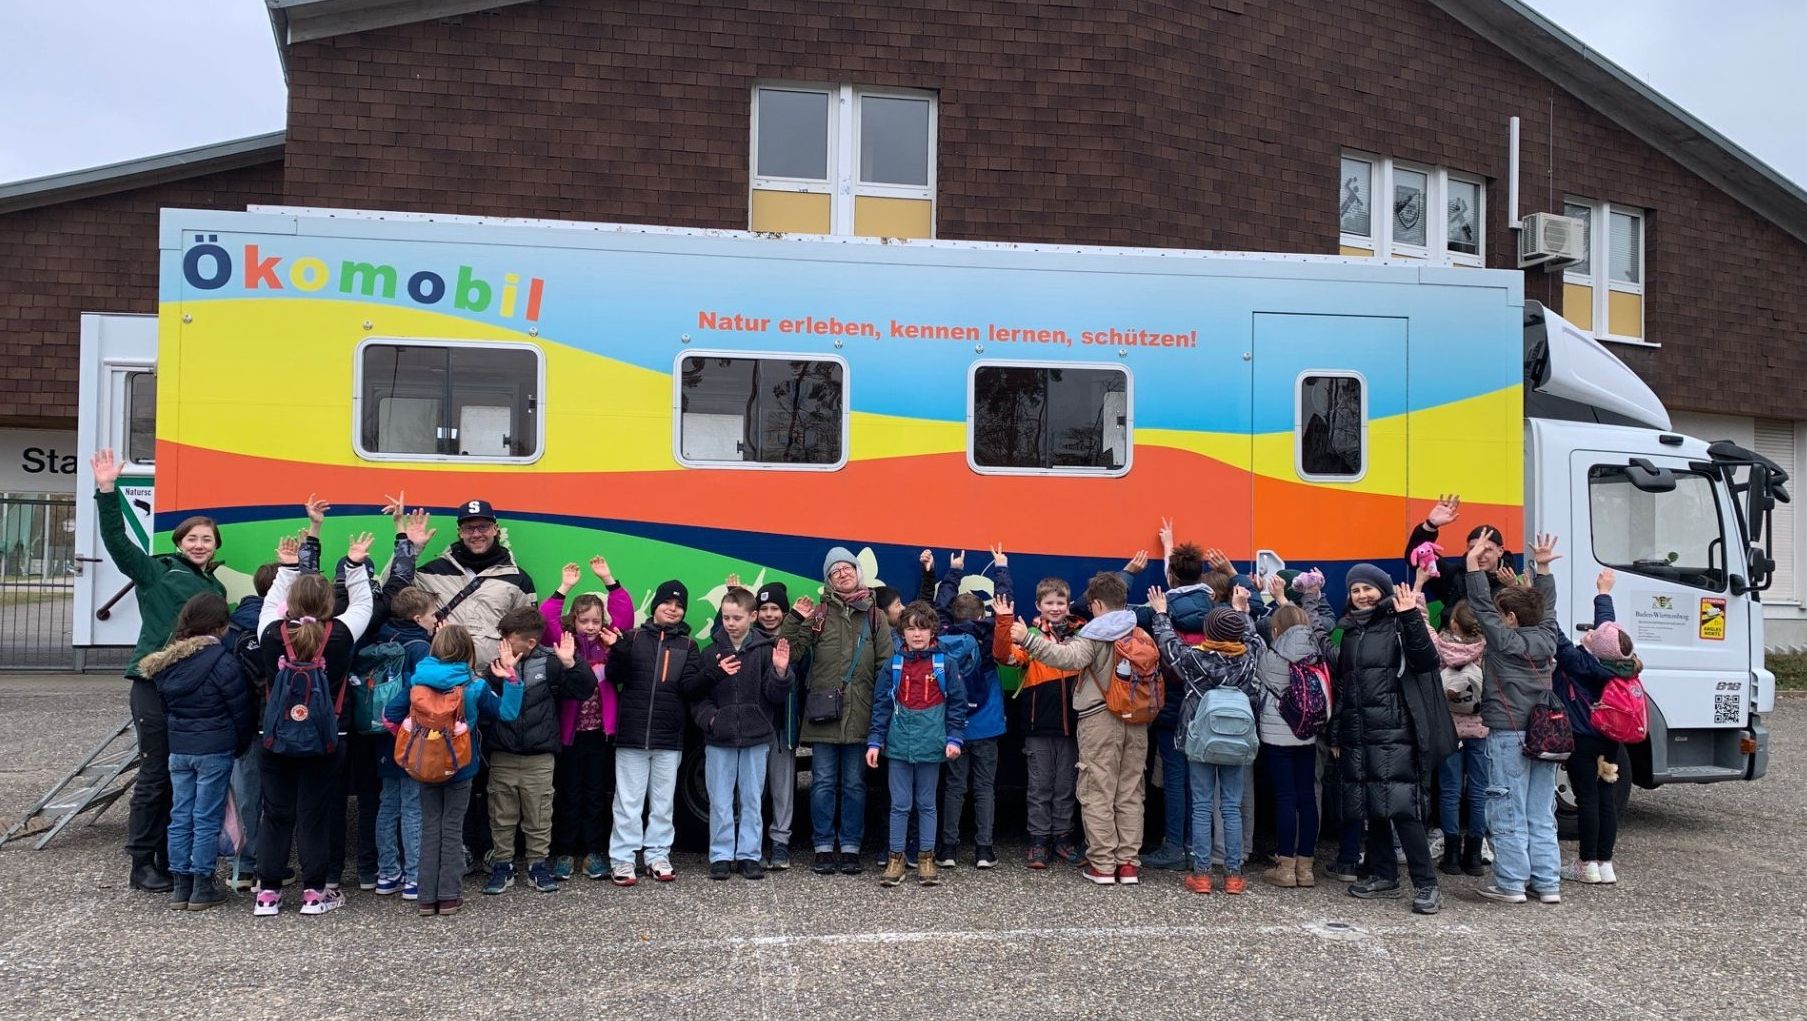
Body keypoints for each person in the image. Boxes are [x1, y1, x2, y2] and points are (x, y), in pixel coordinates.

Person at [90, 448, 228, 895]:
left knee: (180, 774)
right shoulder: (157, 572)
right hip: (153, 683)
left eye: (207, 539)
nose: (199, 545)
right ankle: (141, 862)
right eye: (192, 538)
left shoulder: (216, 586)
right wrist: (107, 490)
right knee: (154, 774)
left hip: (194, 690)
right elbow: (117, 542)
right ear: (179, 542)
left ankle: (172, 856)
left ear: (215, 546)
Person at [253, 525, 377, 917]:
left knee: (275, 814)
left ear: (289, 601)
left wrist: (288, 568)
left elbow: (271, 600)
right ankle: (313, 894)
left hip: (275, 736)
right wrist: (354, 565)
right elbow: (364, 602)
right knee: (315, 814)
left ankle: (267, 894)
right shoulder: (340, 634)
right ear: (328, 603)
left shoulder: (270, 632)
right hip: (328, 736)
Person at [1330, 564, 1456, 916]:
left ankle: (1427, 884)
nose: (1362, 596)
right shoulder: (1351, 632)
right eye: (1355, 590)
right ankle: (1384, 875)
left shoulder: (1400, 622)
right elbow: (1345, 688)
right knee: (1372, 806)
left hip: (1396, 732)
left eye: (1367, 589)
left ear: (1383, 590)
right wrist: (1337, 732)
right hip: (1360, 732)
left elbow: (1426, 660)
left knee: (1403, 809)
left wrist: (1411, 617)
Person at [1010, 571, 1149, 885]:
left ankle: (1103, 865)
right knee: (1130, 793)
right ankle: (1128, 864)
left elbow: (1067, 658)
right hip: (1136, 721)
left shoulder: (1095, 633)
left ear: (1097, 604)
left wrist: (1028, 639)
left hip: (1101, 721)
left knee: (1098, 791)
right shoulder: (1139, 632)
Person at [382, 624, 524, 916]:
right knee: (451, 828)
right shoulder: (474, 686)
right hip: (460, 766)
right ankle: (448, 896)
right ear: (468, 651)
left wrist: (416, 742)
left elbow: (389, 716)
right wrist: (511, 678)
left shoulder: (416, 682)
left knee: (429, 827)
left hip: (423, 765)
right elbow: (507, 713)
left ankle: (426, 897)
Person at [780, 547, 892, 876]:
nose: (842, 574)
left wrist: (880, 714)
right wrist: (794, 619)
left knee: (855, 785)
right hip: (824, 714)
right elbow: (791, 653)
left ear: (858, 572)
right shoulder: (818, 614)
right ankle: (824, 846)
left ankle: (852, 847)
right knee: (823, 783)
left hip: (861, 713)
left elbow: (886, 668)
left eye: (847, 568)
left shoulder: (876, 616)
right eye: (835, 571)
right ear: (828, 580)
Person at [1467, 532, 1564, 905]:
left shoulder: (1505, 642)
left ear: (1510, 618)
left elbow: (1480, 605)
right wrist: (1543, 569)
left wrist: (1473, 563)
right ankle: (1547, 883)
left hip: (1509, 734)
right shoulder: (1548, 635)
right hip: (1546, 733)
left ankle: (1510, 883)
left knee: (1507, 807)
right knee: (1541, 811)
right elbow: (1548, 607)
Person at [141, 594, 256, 911]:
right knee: (206, 817)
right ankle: (202, 884)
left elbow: (166, 710)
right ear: (221, 626)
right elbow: (241, 711)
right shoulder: (223, 662)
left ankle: (181, 885)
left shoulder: (166, 663)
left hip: (179, 749)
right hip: (214, 749)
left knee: (180, 815)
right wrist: (240, 744)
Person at [481, 607, 598, 895]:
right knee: (501, 815)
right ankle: (503, 865)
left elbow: (584, 689)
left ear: (530, 642)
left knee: (539, 814)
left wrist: (572, 663)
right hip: (503, 753)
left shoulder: (551, 662)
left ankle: (537, 865)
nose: (503, 644)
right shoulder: (496, 665)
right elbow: (485, 707)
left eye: (509, 638)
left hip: (540, 755)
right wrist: (500, 677)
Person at [1150, 595, 1262, 895]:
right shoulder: (1249, 657)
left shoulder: (1194, 658)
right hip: (1236, 741)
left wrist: (1161, 614)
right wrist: (1241, 612)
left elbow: (1167, 644)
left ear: (1208, 632)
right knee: (1231, 807)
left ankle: (1201, 874)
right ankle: (1233, 875)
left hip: (1200, 739)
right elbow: (1253, 638)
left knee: (1201, 806)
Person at [542, 557, 634, 881]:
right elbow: (547, 617)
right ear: (574, 621)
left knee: (596, 795)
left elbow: (625, 614)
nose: (591, 627)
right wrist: (564, 587)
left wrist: (609, 580)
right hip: (570, 736)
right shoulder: (565, 644)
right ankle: (565, 852)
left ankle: (594, 852)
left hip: (600, 734)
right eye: (584, 621)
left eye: (596, 620)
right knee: (568, 794)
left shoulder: (609, 643)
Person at [604, 579, 702, 885]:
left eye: (679, 605)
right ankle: (623, 859)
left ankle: (658, 855)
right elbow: (614, 675)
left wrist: (712, 673)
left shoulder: (688, 645)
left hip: (669, 737)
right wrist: (618, 650)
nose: (672, 609)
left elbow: (691, 687)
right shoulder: (632, 638)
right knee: (628, 802)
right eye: (667, 603)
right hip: (632, 734)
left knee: (663, 802)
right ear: (655, 606)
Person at [696, 587, 793, 880]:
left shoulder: (764, 651)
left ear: (752, 617)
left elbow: (774, 696)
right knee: (720, 799)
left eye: (737, 617)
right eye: (726, 617)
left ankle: (749, 854)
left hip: (756, 737)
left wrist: (780, 673)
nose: (730, 623)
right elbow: (698, 696)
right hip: (719, 738)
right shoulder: (710, 652)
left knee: (752, 798)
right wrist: (711, 719)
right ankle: (721, 855)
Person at [868, 601, 968, 887]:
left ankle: (926, 857)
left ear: (932, 631)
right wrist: (875, 741)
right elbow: (881, 706)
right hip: (898, 746)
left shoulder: (945, 664)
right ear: (902, 632)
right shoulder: (894, 665)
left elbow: (957, 705)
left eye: (922, 628)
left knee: (926, 804)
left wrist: (954, 738)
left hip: (932, 745)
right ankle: (895, 858)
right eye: (911, 629)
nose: (917, 634)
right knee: (899, 805)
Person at [933, 545, 1014, 870]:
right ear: (982, 615)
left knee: (954, 787)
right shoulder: (991, 635)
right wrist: (1001, 568)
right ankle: (984, 850)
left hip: (954, 726)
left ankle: (948, 849)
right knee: (984, 788)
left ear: (953, 616)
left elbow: (939, 605)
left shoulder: (941, 636)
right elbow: (1005, 604)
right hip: (987, 723)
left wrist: (954, 571)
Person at [992, 583, 1085, 869]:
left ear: (1069, 605)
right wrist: (1004, 622)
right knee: (1039, 788)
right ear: (1038, 606)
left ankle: (1063, 838)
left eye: (1060, 603)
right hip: (1038, 726)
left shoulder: (1082, 636)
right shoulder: (1029, 635)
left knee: (1065, 787)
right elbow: (1004, 656)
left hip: (1072, 728)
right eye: (1049, 603)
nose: (1055, 608)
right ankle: (1038, 841)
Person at [1252, 574, 1334, 889]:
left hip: (1276, 737)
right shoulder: (1317, 653)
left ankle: (1285, 867)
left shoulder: (1270, 656)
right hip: (1309, 733)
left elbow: (1251, 637)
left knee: (1285, 797)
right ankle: (1306, 868)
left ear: (1276, 630)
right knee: (1307, 797)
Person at [1557, 572, 1632, 887]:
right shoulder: (1621, 662)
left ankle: (1586, 863)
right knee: (1605, 797)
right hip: (1610, 739)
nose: (1589, 632)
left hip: (1583, 739)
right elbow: (1609, 631)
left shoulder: (1579, 662)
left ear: (1598, 646)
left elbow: (1551, 631)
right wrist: (1603, 593)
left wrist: (1536, 591)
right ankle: (1605, 863)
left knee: (1586, 798)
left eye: (1593, 634)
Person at [399, 498, 537, 667]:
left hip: (493, 676)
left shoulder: (518, 579)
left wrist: (509, 671)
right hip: (442, 674)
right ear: (460, 532)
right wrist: (411, 549)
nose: (476, 534)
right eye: (469, 528)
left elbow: (528, 633)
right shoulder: (431, 572)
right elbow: (391, 590)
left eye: (483, 526)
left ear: (495, 529)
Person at [372, 585, 437, 899]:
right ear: (417, 617)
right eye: (431, 615)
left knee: (388, 804)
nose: (435, 620)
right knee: (413, 806)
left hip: (381, 731)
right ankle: (414, 876)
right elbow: (422, 690)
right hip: (411, 733)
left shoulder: (382, 636)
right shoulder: (420, 646)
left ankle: (387, 873)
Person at [1429, 600, 1492, 878]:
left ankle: (1452, 855)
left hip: (1450, 731)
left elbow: (1422, 622)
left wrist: (1418, 588)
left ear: (1453, 624)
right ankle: (1475, 855)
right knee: (1479, 792)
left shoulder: (1442, 647)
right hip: (1480, 729)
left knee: (1450, 791)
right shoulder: (1488, 648)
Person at [751, 581, 804, 871]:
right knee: (752, 789)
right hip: (754, 728)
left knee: (783, 788)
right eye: (763, 609)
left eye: (775, 609)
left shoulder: (794, 643)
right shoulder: (749, 640)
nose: (769, 614)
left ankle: (781, 842)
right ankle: (753, 842)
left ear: (784, 613)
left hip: (783, 726)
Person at [1405, 493, 1514, 617]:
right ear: (1467, 549)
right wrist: (1430, 525)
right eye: (1473, 548)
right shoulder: (1454, 576)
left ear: (1500, 551)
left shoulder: (1511, 583)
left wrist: (1514, 588)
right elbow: (1418, 555)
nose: (1478, 554)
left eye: (1486, 549)